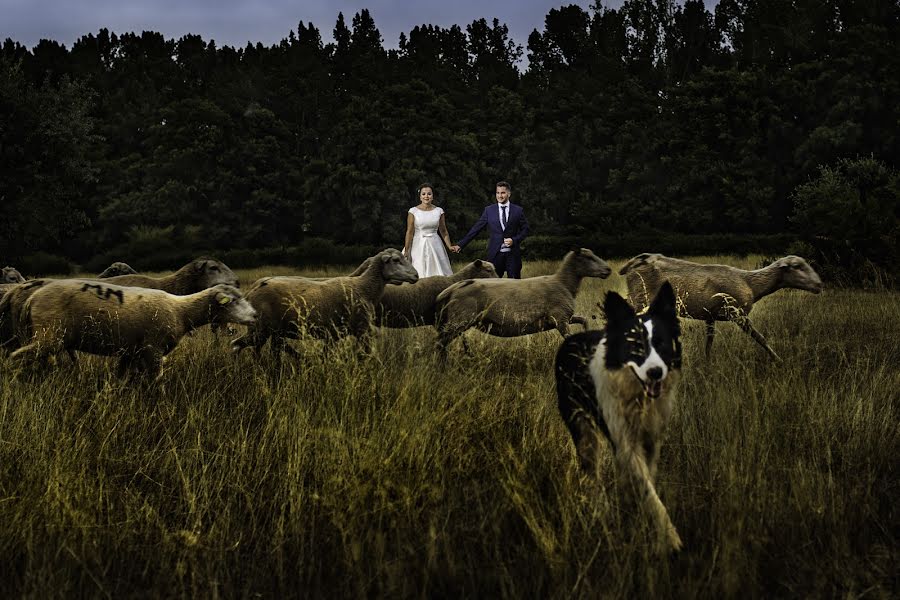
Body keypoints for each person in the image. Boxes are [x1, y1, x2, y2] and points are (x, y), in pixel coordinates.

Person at [451, 181, 529, 278]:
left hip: (513, 255)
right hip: (495, 255)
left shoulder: (518, 210)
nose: (500, 196)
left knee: (515, 286)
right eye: (498, 193)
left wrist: (514, 240)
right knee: (494, 286)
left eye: (503, 193)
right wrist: (460, 245)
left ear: (509, 193)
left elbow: (525, 230)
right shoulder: (489, 210)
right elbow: (476, 229)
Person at [403, 183, 455, 277]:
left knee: (438, 271)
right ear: (420, 197)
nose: (426, 196)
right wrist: (407, 250)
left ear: (432, 196)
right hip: (418, 244)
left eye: (429, 194)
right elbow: (409, 232)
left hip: (435, 244)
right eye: (423, 194)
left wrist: (449, 246)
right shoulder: (413, 211)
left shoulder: (439, 211)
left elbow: (443, 231)